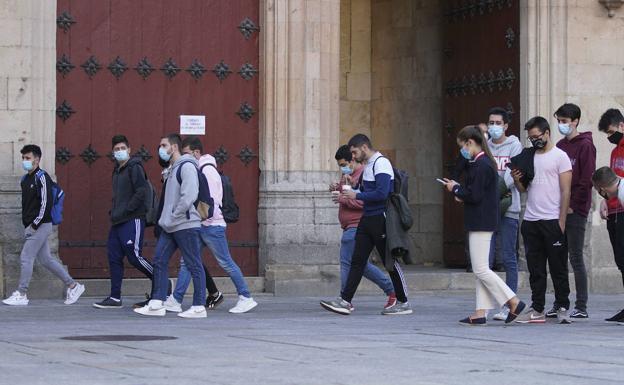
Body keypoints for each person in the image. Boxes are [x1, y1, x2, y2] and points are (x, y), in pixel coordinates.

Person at [441, 126, 526, 325]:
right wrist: (460, 192)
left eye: (463, 146)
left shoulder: (481, 165)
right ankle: (480, 312)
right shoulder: (483, 163)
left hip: (481, 221)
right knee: (482, 268)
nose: (462, 150)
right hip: (481, 219)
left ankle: (513, 301)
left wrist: (456, 189)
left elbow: (474, 194)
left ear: (470, 142)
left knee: (480, 269)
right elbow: (479, 194)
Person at [320, 134, 412, 315]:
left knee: (390, 261)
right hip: (367, 219)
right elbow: (365, 190)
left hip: (381, 218)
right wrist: (351, 189)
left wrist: (356, 195)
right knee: (357, 260)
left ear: (363, 147)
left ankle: (403, 301)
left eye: (354, 152)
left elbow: (382, 193)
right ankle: (345, 300)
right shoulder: (369, 166)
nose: (353, 156)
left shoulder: (381, 163)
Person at [165, 136, 257, 313]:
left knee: (225, 262)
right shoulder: (202, 169)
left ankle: (246, 296)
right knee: (188, 261)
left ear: (196, 152)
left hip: (211, 225)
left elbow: (211, 201)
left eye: (187, 154)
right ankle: (175, 300)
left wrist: (201, 218)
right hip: (203, 224)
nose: (184, 157)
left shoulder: (207, 171)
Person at [134, 133, 207, 318]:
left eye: (163, 145)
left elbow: (189, 195)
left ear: (174, 147)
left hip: (185, 224)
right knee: (159, 260)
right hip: (171, 225)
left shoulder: (187, 166)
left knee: (193, 264)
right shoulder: (173, 168)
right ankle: (157, 302)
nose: (161, 149)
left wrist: (175, 215)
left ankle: (199, 306)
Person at [3, 145, 85, 306]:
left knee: (26, 256)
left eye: (28, 158)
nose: (25, 161)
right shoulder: (25, 179)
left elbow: (45, 204)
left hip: (41, 224)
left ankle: (22, 293)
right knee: (46, 259)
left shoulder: (42, 177)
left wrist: (34, 224)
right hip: (32, 225)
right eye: (23, 158)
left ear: (37, 159)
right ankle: (73, 285)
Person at [93, 135, 166, 309]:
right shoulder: (117, 170)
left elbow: (141, 191)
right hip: (117, 221)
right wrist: (115, 211)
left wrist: (128, 209)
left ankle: (163, 285)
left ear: (129, 149)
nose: (119, 152)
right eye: (116, 149)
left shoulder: (135, 167)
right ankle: (115, 297)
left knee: (135, 257)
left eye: (122, 148)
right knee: (114, 257)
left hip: (133, 219)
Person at [512, 117, 573, 324]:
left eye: (537, 137)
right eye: (531, 138)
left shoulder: (560, 157)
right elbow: (523, 189)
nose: (535, 141)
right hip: (531, 219)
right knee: (535, 268)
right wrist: (517, 179)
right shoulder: (528, 157)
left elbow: (566, 191)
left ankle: (562, 305)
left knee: (558, 267)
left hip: (552, 220)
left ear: (547, 133)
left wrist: (561, 221)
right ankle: (537, 308)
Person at [331, 145, 396, 308]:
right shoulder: (349, 175)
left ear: (354, 157)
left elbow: (364, 199)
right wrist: (336, 188)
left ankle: (345, 299)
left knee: (350, 262)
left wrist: (343, 198)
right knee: (359, 264)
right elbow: (349, 193)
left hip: (357, 224)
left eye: (344, 164)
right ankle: (391, 290)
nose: (343, 168)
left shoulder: (367, 171)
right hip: (350, 225)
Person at [552, 103, 596, 319]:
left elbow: (586, 179)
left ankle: (581, 305)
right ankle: (561, 302)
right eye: (559, 121)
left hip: (576, 209)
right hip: (557, 208)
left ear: (575, 121)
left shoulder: (585, 145)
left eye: (565, 121)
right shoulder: (559, 145)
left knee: (575, 257)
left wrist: (573, 205)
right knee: (558, 256)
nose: (561, 125)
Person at [486, 107, 523, 321]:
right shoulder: (486, 146)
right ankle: (490, 302)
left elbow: (511, 175)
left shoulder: (514, 145)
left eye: (498, 123)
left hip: (509, 208)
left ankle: (510, 304)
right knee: (486, 259)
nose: (494, 127)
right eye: (491, 122)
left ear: (506, 126)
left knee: (509, 257)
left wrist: (495, 190)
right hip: (488, 210)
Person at [597, 108, 624, 322]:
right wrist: (605, 201)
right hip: (614, 209)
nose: (610, 136)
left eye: (611, 131)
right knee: (620, 260)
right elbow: (610, 183)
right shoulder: (616, 151)